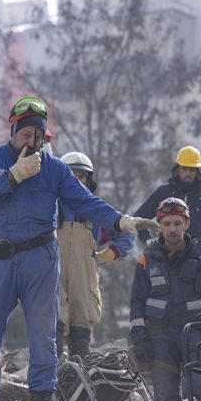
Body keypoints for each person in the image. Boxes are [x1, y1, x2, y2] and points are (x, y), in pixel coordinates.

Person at [0, 96, 159, 401]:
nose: (31, 142)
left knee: (44, 333)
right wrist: (12, 176)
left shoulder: (55, 168)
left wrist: (121, 221)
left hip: (39, 257)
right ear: (13, 131)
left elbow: (86, 201)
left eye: (38, 135)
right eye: (25, 134)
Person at [129, 198, 201, 401]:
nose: (172, 229)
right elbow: (137, 302)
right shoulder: (147, 260)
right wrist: (139, 336)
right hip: (160, 337)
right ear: (159, 226)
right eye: (167, 224)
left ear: (187, 224)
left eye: (177, 223)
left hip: (197, 334)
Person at [57, 151, 133, 360]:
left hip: (84, 279)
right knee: (53, 324)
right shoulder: (50, 209)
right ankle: (50, 375)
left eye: (81, 176)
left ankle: (78, 373)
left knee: (81, 331)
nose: (76, 181)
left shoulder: (96, 213)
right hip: (54, 274)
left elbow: (126, 234)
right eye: (71, 176)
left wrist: (105, 256)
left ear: (89, 180)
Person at [134, 145, 201, 244]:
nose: (188, 173)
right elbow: (138, 219)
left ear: (198, 171)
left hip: (198, 251)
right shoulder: (163, 192)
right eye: (184, 168)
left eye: (192, 169)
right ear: (177, 169)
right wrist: (149, 240)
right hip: (165, 251)